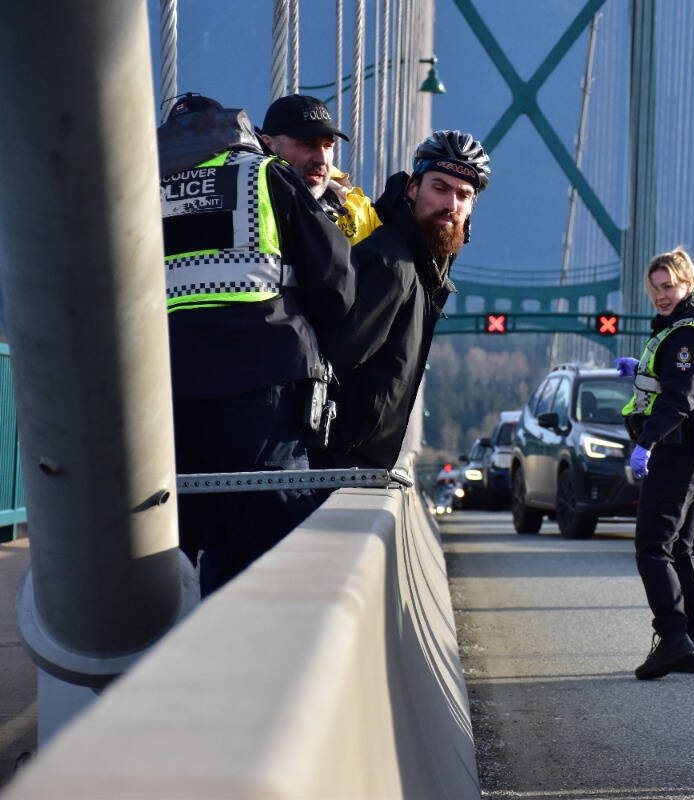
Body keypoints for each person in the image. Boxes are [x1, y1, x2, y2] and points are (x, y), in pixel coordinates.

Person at [158, 93, 357, 595]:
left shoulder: (137, 187)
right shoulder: (263, 174)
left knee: (169, 537)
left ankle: (165, 657)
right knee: (265, 544)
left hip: (164, 389)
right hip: (263, 386)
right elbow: (336, 283)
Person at [313, 130, 490, 470]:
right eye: (440, 188)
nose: (450, 205)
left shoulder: (424, 268)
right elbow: (331, 362)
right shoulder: (391, 265)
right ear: (412, 188)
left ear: (471, 208)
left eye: (463, 195)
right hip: (340, 469)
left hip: (357, 468)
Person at [619, 248, 694, 680]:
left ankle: (672, 638)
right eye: (654, 289)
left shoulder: (685, 332)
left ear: (687, 284)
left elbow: (680, 397)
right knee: (681, 547)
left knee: (652, 546)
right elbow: (680, 382)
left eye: (669, 286)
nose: (661, 296)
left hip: (680, 450)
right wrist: (640, 371)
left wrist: (646, 442)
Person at [259, 94, 381, 245]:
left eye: (327, 146)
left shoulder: (358, 211)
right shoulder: (244, 205)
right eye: (307, 144)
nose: (322, 159)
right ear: (268, 145)